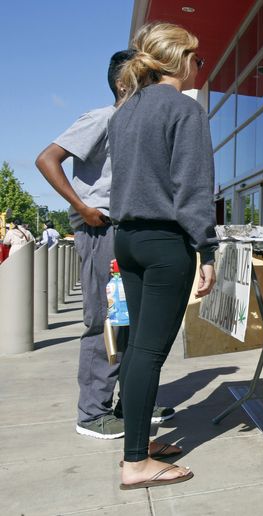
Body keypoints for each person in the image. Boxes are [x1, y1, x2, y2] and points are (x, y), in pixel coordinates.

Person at [36, 50, 176, 443]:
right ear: (124, 83)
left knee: (129, 324)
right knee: (105, 322)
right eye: (147, 77)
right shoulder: (103, 119)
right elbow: (47, 159)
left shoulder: (134, 125)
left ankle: (127, 403)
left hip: (128, 232)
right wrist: (82, 207)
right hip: (102, 232)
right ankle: (92, 412)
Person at [108, 22, 217, 490]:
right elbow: (192, 188)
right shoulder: (184, 110)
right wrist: (207, 250)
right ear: (179, 59)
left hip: (127, 239)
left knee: (136, 349)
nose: (199, 67)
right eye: (196, 58)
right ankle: (135, 464)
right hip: (163, 243)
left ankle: (139, 443)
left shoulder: (124, 112)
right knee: (150, 353)